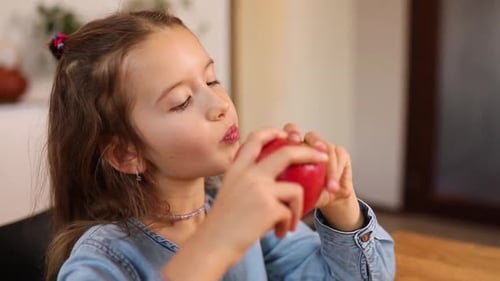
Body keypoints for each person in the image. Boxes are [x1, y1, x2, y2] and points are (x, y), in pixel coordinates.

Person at [44, 10, 395, 281]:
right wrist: (220, 241)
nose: (220, 104)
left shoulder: (241, 215)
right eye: (181, 101)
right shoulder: (105, 258)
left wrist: (342, 209)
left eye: (212, 79)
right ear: (125, 153)